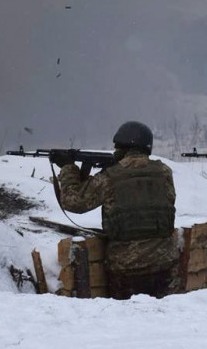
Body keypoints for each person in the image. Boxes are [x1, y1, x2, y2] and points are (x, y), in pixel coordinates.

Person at [51, 121, 179, 299]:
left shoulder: (110, 177)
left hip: (126, 267)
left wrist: (67, 169)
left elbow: (75, 202)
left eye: (117, 147)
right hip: (164, 263)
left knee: (125, 322)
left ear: (123, 146)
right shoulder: (164, 172)